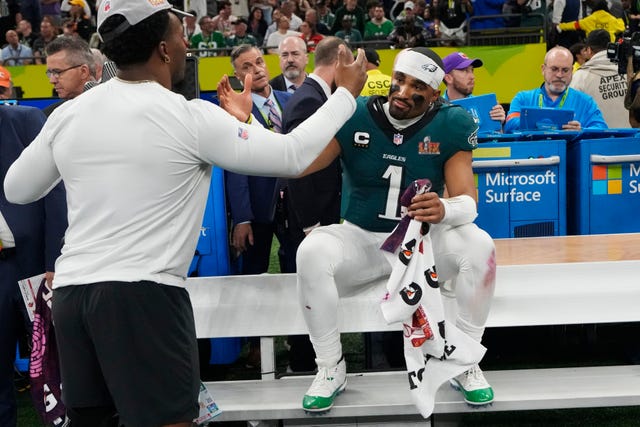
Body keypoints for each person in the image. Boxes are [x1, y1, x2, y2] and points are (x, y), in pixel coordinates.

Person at [3, 0, 367, 425]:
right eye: (180, 35)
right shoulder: (188, 116)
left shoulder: (68, 114)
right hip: (145, 295)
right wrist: (345, 95)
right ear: (163, 49)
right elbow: (293, 155)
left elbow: (18, 188)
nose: (186, 44)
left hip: (72, 296)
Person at [293, 46, 496, 413]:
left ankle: (464, 360)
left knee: (480, 245)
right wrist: (247, 129)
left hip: (421, 245)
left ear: (436, 93)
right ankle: (330, 367)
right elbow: (296, 162)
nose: (402, 92)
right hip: (361, 238)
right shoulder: (356, 113)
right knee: (312, 250)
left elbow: (468, 202)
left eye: (417, 86)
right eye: (399, 80)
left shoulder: (451, 122)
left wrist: (443, 207)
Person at [281, 37, 348, 373]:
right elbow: (299, 169)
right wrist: (311, 226)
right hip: (310, 224)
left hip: (319, 219)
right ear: (338, 60)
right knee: (309, 294)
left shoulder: (315, 96)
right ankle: (305, 365)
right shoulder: (309, 101)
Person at [225, 44, 295, 367]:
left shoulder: (290, 101)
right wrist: (241, 217)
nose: (257, 69)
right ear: (240, 76)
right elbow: (234, 164)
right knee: (255, 276)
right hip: (256, 207)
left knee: (298, 271)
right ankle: (256, 345)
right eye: (247, 66)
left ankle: (299, 341)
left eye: (258, 62)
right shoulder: (231, 109)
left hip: (294, 205)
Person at [0, 104, 67, 427]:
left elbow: (56, 190)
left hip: (35, 268)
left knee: (57, 366)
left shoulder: (24, 120)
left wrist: (54, 259)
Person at [504, 46, 608, 132]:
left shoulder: (586, 102)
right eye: (554, 69)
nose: (559, 75)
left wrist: (581, 131)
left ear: (572, 71)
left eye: (565, 70)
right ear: (543, 69)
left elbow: (601, 129)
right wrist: (541, 125)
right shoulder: (523, 99)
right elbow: (509, 125)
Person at [570, 29, 629, 128]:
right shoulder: (629, 71)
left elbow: (572, 112)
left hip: (597, 140)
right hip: (633, 139)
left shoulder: (580, 77)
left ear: (588, 50)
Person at [442, 51, 506, 124]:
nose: (472, 76)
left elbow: (495, 134)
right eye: (465, 70)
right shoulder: (435, 110)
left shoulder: (485, 106)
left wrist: (499, 124)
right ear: (448, 78)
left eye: (472, 70)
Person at [43, 36, 97, 115]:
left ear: (83, 71)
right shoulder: (49, 115)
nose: (52, 81)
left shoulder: (112, 105)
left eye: (57, 72)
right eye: (50, 73)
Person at [556, 0, 625, 42]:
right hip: (608, 47)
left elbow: (574, 25)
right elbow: (622, 27)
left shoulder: (589, 20)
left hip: (592, 48)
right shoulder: (613, 20)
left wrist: (561, 26)